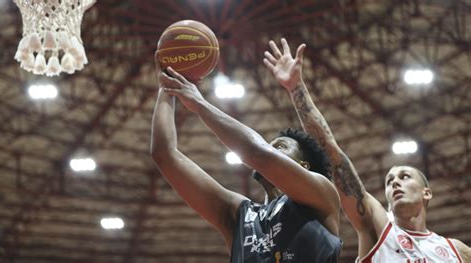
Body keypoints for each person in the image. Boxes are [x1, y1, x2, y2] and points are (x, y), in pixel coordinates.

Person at [263, 38, 471, 262]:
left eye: (404, 176)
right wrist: (296, 89)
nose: (395, 183)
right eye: (390, 181)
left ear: (426, 193)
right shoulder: (379, 227)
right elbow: (334, 157)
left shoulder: (456, 250)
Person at [150, 53, 342, 262]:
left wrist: (199, 103)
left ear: (303, 166)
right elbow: (164, 155)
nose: (271, 148)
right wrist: (166, 87)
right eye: (271, 145)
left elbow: (257, 153)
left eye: (281, 146)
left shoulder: (321, 195)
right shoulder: (239, 215)